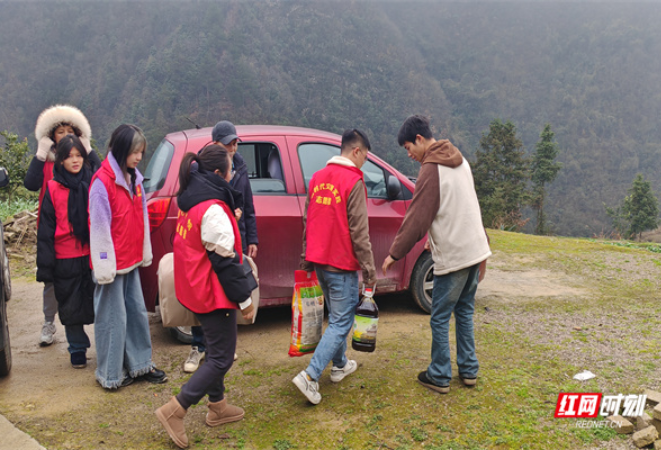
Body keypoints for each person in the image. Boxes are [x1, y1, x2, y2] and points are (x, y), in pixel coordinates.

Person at [382, 115, 491, 394]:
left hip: (454, 257)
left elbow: (418, 216)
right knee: (464, 311)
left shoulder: (432, 168)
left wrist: (395, 253)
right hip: (474, 250)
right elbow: (464, 206)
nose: (409, 155)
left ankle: (440, 374)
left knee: (439, 316)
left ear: (420, 139)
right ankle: (469, 371)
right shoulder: (460, 160)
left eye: (408, 148)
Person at [155, 144, 254, 449]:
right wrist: (246, 302)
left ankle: (218, 406)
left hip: (195, 288)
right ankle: (176, 409)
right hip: (212, 293)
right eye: (230, 169)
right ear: (217, 174)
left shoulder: (191, 202)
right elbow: (226, 261)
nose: (233, 173)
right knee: (222, 357)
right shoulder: (212, 208)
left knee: (214, 350)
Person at [292, 128, 376, 405]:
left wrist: (306, 260)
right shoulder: (353, 181)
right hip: (342, 265)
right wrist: (370, 273)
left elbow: (308, 222)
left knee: (337, 318)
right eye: (364, 155)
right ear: (356, 151)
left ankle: (340, 365)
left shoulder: (317, 179)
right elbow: (359, 233)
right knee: (342, 320)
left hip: (320, 264)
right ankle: (310, 376)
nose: (364, 161)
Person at [89, 124, 167, 389]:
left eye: (141, 152)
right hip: (111, 265)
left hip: (131, 259)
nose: (138, 157)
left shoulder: (134, 179)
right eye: (135, 152)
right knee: (112, 320)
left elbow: (142, 217)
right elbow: (98, 228)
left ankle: (140, 365)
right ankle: (110, 374)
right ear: (121, 150)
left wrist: (144, 251)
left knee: (135, 314)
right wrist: (103, 266)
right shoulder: (102, 182)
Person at [184, 120, 258, 373]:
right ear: (215, 143)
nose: (233, 147)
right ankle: (199, 346)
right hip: (213, 236)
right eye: (228, 142)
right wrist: (225, 218)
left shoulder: (241, 168)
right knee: (206, 294)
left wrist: (252, 239)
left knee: (224, 293)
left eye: (236, 142)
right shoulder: (202, 168)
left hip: (232, 235)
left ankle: (221, 347)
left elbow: (247, 205)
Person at [25, 104, 95, 347]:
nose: (65, 136)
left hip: (83, 238)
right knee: (53, 283)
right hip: (53, 228)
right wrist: (40, 154)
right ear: (51, 136)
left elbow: (102, 173)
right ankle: (48, 321)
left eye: (70, 131)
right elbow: (31, 184)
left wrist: (88, 150)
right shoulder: (49, 162)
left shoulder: (83, 167)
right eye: (60, 131)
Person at [36, 135, 99, 368]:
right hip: (65, 257)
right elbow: (46, 229)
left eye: (79, 155)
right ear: (60, 160)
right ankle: (77, 349)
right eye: (69, 156)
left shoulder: (93, 182)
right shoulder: (53, 188)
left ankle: (104, 346)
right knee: (70, 305)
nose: (75, 161)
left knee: (98, 302)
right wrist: (45, 266)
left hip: (91, 254)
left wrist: (91, 150)